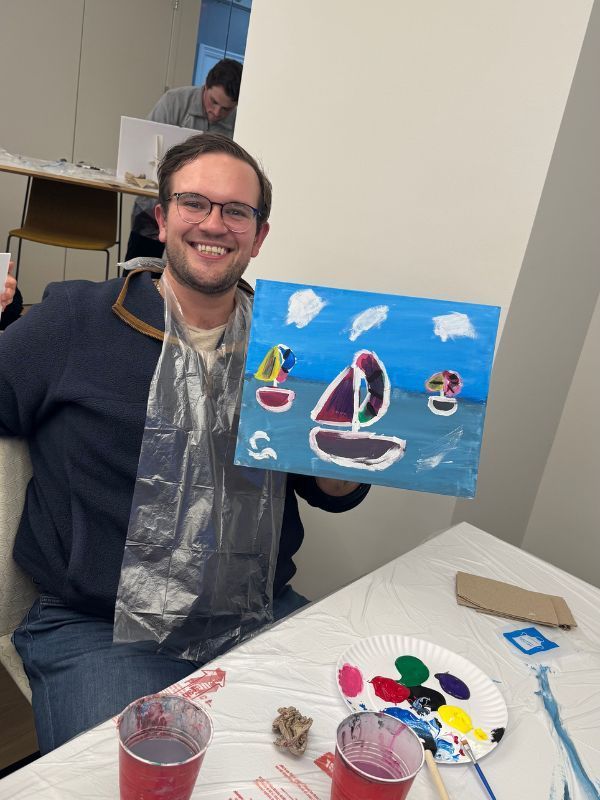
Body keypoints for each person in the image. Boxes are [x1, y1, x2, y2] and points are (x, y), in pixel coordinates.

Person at [0, 133, 369, 754]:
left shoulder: (293, 349)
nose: (214, 224)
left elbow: (331, 490)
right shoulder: (76, 322)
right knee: (140, 781)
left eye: (236, 211)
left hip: (257, 614)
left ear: (259, 234)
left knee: (358, 747)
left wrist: (349, 449)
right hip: (100, 628)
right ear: (163, 217)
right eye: (195, 203)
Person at [125, 58, 243, 262]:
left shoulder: (240, 121)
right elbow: (143, 153)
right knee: (139, 270)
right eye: (213, 102)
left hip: (203, 212)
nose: (217, 113)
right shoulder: (173, 102)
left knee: (190, 270)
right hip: (154, 202)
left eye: (226, 109)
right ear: (205, 87)